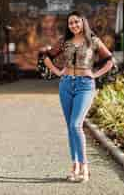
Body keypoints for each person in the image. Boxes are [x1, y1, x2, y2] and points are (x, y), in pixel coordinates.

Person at [40, 10, 115, 182]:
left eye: (76, 22)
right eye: (70, 23)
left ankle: (85, 168)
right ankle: (74, 167)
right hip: (66, 84)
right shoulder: (65, 42)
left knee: (76, 125)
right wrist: (58, 72)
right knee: (70, 127)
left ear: (83, 22)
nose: (73, 25)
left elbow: (110, 60)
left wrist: (95, 75)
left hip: (85, 85)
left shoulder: (93, 40)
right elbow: (47, 58)